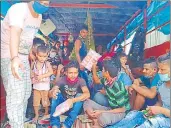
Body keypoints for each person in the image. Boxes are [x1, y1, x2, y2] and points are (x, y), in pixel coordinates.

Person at [1, 1, 49, 127]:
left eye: (47, 2)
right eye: (42, 1)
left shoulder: (38, 17)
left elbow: (28, 37)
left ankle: (19, 121)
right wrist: (14, 57)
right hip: (9, 55)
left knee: (26, 92)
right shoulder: (19, 9)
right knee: (16, 94)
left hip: (23, 56)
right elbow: (15, 33)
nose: (44, 4)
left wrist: (29, 53)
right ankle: (16, 125)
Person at [111, 53, 170, 128]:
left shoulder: (157, 79)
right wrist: (151, 110)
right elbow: (160, 103)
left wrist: (161, 110)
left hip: (167, 120)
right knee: (136, 115)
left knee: (151, 123)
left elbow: (152, 96)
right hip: (161, 114)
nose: (159, 72)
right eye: (159, 69)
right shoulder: (161, 85)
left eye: (162, 70)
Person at [83, 60, 131, 128]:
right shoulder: (106, 80)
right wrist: (93, 68)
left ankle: (96, 120)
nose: (101, 71)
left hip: (120, 112)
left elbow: (122, 109)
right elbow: (96, 81)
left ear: (107, 72)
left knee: (103, 117)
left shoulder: (118, 87)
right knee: (87, 102)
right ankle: (94, 118)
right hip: (111, 108)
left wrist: (101, 112)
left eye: (103, 69)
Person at [49, 61, 90, 128]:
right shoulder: (62, 80)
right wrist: (53, 92)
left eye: (75, 73)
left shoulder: (81, 80)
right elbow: (51, 92)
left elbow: (87, 94)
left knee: (80, 95)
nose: (73, 75)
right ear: (66, 73)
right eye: (70, 73)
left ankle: (66, 125)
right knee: (56, 93)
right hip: (63, 108)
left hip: (74, 109)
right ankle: (55, 124)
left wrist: (72, 100)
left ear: (78, 73)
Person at [31, 45, 53, 123]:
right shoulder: (34, 63)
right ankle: (36, 115)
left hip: (45, 87)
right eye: (40, 56)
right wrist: (33, 75)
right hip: (36, 86)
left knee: (45, 101)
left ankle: (46, 113)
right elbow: (31, 72)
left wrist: (42, 76)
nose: (42, 58)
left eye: (44, 56)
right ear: (36, 54)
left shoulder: (47, 64)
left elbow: (51, 72)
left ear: (47, 55)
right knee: (35, 102)